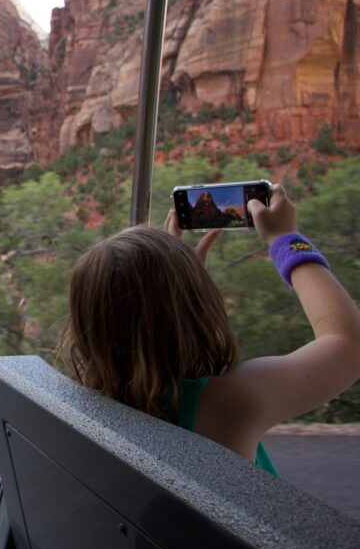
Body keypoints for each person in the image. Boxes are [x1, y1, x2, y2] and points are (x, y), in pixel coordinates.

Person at [59, 184, 360, 475]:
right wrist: (285, 238)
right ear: (193, 306)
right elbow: (349, 344)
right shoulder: (227, 403)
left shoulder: (86, 409)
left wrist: (175, 287)